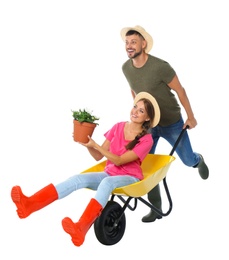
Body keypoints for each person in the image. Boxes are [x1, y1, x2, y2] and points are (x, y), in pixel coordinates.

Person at [10, 92, 160, 247]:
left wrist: (96, 146)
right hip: (110, 173)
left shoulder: (146, 140)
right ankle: (30, 204)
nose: (135, 111)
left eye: (141, 111)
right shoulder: (118, 127)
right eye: (135, 107)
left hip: (131, 178)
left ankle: (81, 228)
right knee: (78, 178)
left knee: (107, 182)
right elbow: (98, 156)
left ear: (147, 118)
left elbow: (119, 160)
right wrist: (88, 144)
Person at [120, 25, 209, 223]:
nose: (129, 46)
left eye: (133, 42)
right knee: (146, 165)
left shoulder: (161, 67)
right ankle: (156, 207)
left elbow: (181, 91)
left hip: (171, 121)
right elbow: (134, 91)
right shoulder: (126, 68)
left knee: (186, 160)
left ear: (144, 44)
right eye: (126, 43)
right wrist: (137, 115)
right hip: (149, 124)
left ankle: (198, 160)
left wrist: (191, 117)